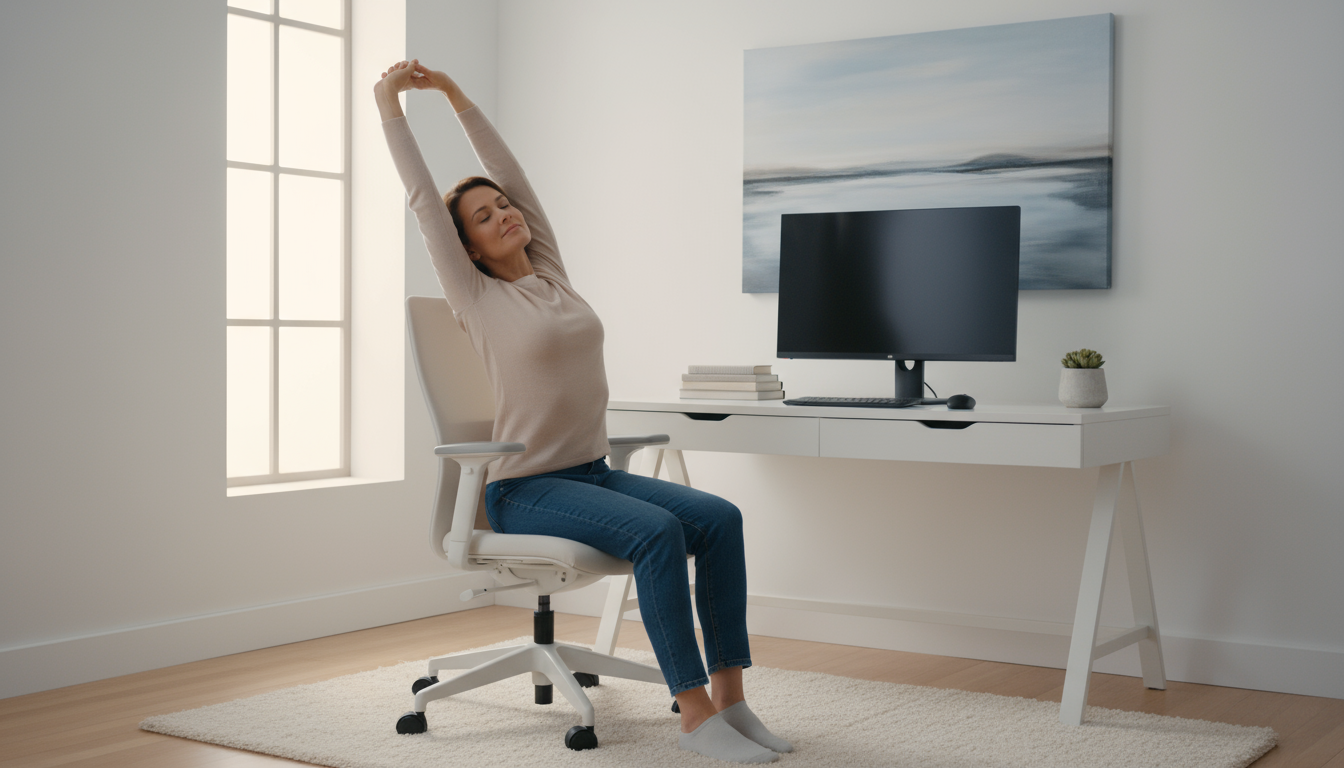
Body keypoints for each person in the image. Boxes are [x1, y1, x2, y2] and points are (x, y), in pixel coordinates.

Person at [374, 60, 793, 764]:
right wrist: (389, 102)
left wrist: (456, 97)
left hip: (591, 477)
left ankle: (732, 702)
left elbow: (515, 178)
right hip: (525, 492)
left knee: (720, 519)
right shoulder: (476, 300)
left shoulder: (551, 275)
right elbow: (422, 198)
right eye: (483, 217)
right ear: (466, 248)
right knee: (660, 533)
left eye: (502, 206)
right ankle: (693, 718)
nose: (504, 214)